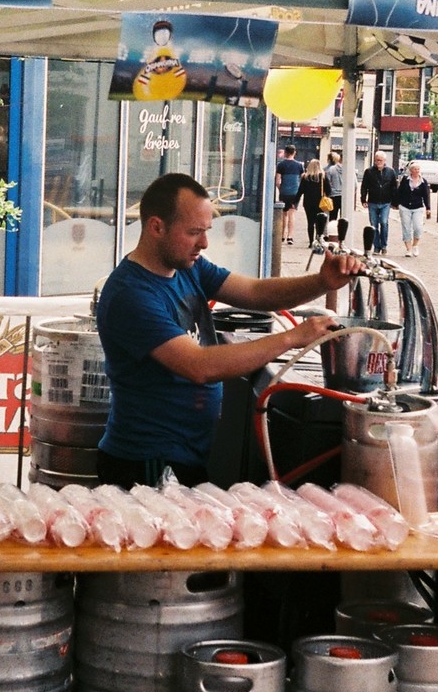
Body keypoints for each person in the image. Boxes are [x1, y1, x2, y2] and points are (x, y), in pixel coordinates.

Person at [94, 173, 363, 488]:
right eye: (194, 232)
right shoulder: (131, 294)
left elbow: (255, 292)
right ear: (156, 227)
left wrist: (320, 282)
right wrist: (293, 337)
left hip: (183, 457)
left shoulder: (189, 267)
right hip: (146, 465)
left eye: (206, 231)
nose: (204, 243)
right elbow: (199, 366)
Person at [360, 150, 400, 255]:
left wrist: (395, 202)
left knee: (384, 222)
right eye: (377, 160)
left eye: (380, 160)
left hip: (386, 202)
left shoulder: (390, 172)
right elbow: (364, 186)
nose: (378, 162)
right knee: (374, 224)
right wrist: (363, 199)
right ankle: (376, 246)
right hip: (372, 201)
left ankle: (384, 245)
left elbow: (394, 188)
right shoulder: (369, 172)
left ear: (385, 160)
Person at [394, 160, 432, 258]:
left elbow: (426, 195)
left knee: (418, 227)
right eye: (415, 169)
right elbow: (400, 192)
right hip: (405, 207)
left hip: (418, 207)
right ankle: (408, 249)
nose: (417, 171)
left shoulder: (423, 182)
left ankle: (415, 245)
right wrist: (396, 203)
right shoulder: (405, 180)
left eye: (418, 169)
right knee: (406, 228)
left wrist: (428, 208)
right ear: (411, 171)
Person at [275, 145, 304, 244]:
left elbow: (277, 181)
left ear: (286, 153)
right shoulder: (299, 165)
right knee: (292, 214)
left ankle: (282, 235)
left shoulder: (281, 165)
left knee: (284, 214)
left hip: (284, 192)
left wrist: (281, 188)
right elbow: (302, 179)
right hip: (295, 193)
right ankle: (290, 236)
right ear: (294, 153)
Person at [299, 158, 327, 245]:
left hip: (308, 203)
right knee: (319, 222)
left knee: (310, 222)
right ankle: (318, 239)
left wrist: (295, 201)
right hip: (320, 203)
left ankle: (311, 242)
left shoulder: (305, 177)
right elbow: (329, 190)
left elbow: (300, 191)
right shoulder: (322, 177)